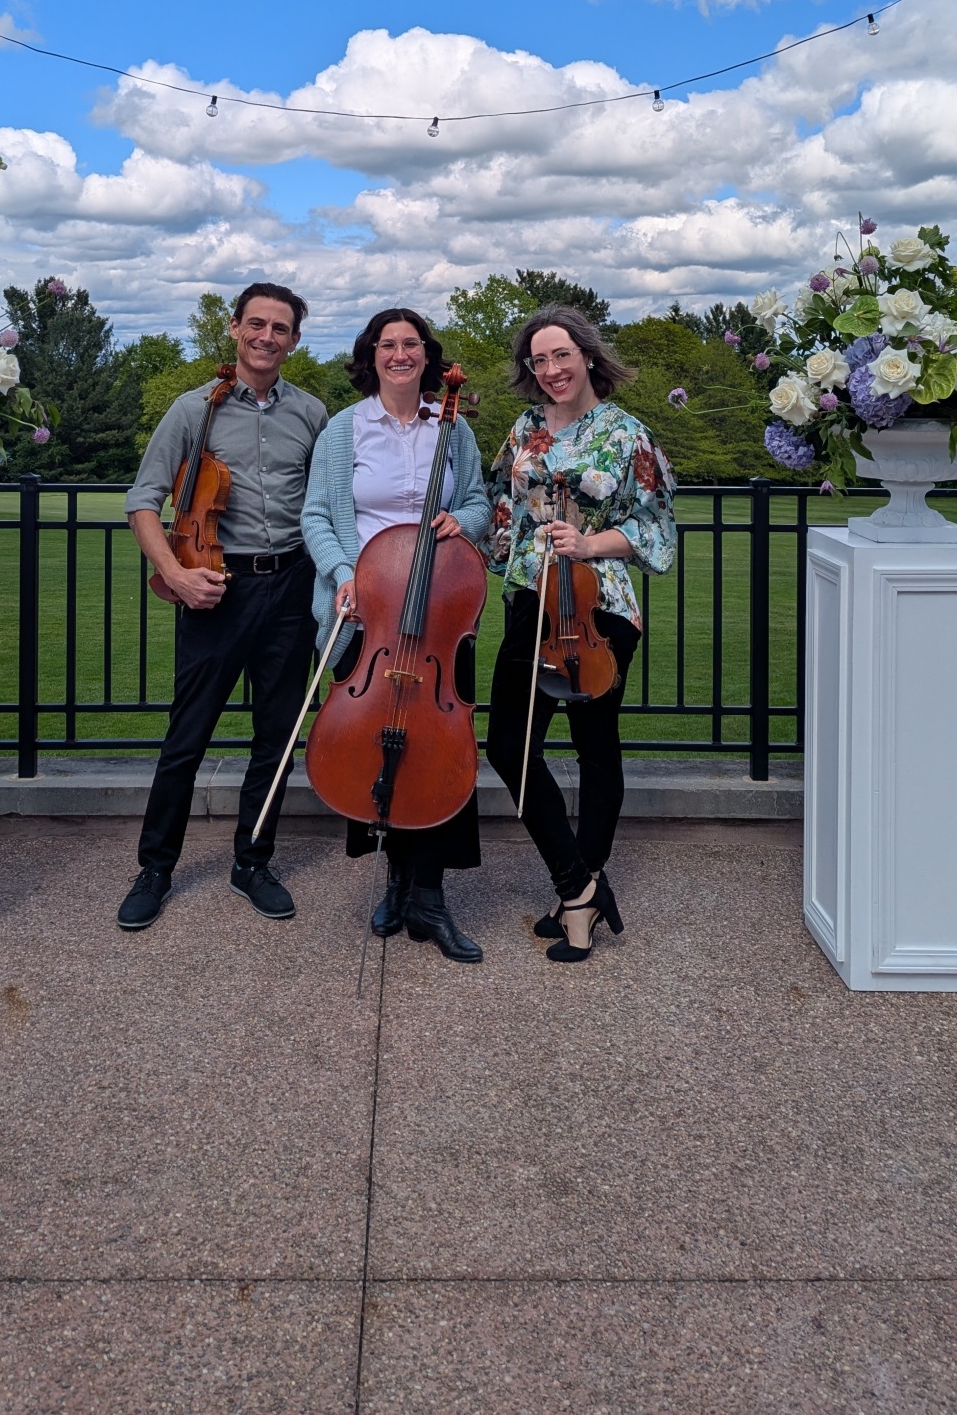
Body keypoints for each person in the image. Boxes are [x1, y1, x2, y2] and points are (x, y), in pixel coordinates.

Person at [116, 284, 328, 931]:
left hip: (290, 587)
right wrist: (174, 574)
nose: (267, 337)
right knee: (188, 736)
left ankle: (252, 862)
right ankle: (155, 869)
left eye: (280, 328)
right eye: (256, 324)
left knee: (276, 738)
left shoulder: (312, 413)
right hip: (215, 586)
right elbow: (143, 501)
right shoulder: (191, 410)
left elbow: (328, 503)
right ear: (235, 328)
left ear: (294, 341)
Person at [301, 308, 493, 963]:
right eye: (388, 344)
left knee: (436, 747)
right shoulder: (344, 429)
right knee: (376, 745)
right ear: (372, 355)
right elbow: (317, 516)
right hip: (368, 613)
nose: (400, 354)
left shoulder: (453, 427)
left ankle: (429, 897)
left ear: (427, 357)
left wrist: (461, 522)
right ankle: (396, 882)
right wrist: (343, 575)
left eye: (412, 344)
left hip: (439, 615)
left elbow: (477, 501)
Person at [484, 306, 675, 963]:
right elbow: (502, 509)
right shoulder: (524, 428)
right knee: (509, 745)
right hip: (532, 598)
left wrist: (590, 542)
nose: (551, 369)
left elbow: (655, 526)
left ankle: (580, 890)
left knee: (595, 745)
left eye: (560, 354)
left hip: (601, 606)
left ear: (587, 356)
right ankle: (580, 886)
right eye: (538, 360)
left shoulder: (628, 435)